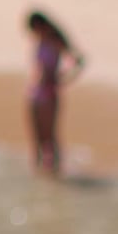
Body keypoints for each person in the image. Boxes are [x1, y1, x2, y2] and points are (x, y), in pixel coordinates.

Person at [25, 10, 83, 177]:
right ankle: (38, 174)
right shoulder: (40, 41)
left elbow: (79, 61)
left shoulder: (54, 41)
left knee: (50, 137)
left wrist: (64, 78)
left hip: (49, 93)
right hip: (35, 92)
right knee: (36, 138)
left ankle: (57, 172)